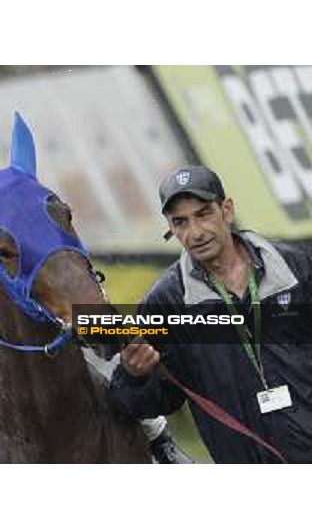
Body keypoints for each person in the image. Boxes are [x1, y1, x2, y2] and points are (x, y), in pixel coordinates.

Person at [107, 165, 312, 463]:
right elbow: (142, 403)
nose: (195, 233)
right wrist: (133, 376)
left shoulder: (296, 268)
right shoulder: (166, 302)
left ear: (226, 210)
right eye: (181, 222)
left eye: (203, 214)